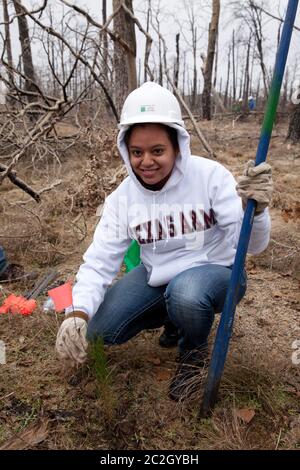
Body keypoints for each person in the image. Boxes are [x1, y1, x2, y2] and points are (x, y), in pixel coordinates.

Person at [55, 82, 272, 401]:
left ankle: (193, 354)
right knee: (100, 330)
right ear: (126, 151)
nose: (147, 162)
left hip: (217, 274)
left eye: (157, 150)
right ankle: (175, 318)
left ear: (177, 146)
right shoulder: (123, 200)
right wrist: (77, 313)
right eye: (137, 152)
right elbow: (99, 263)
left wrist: (256, 211)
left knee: (186, 293)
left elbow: (252, 246)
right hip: (158, 277)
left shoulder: (211, 177)